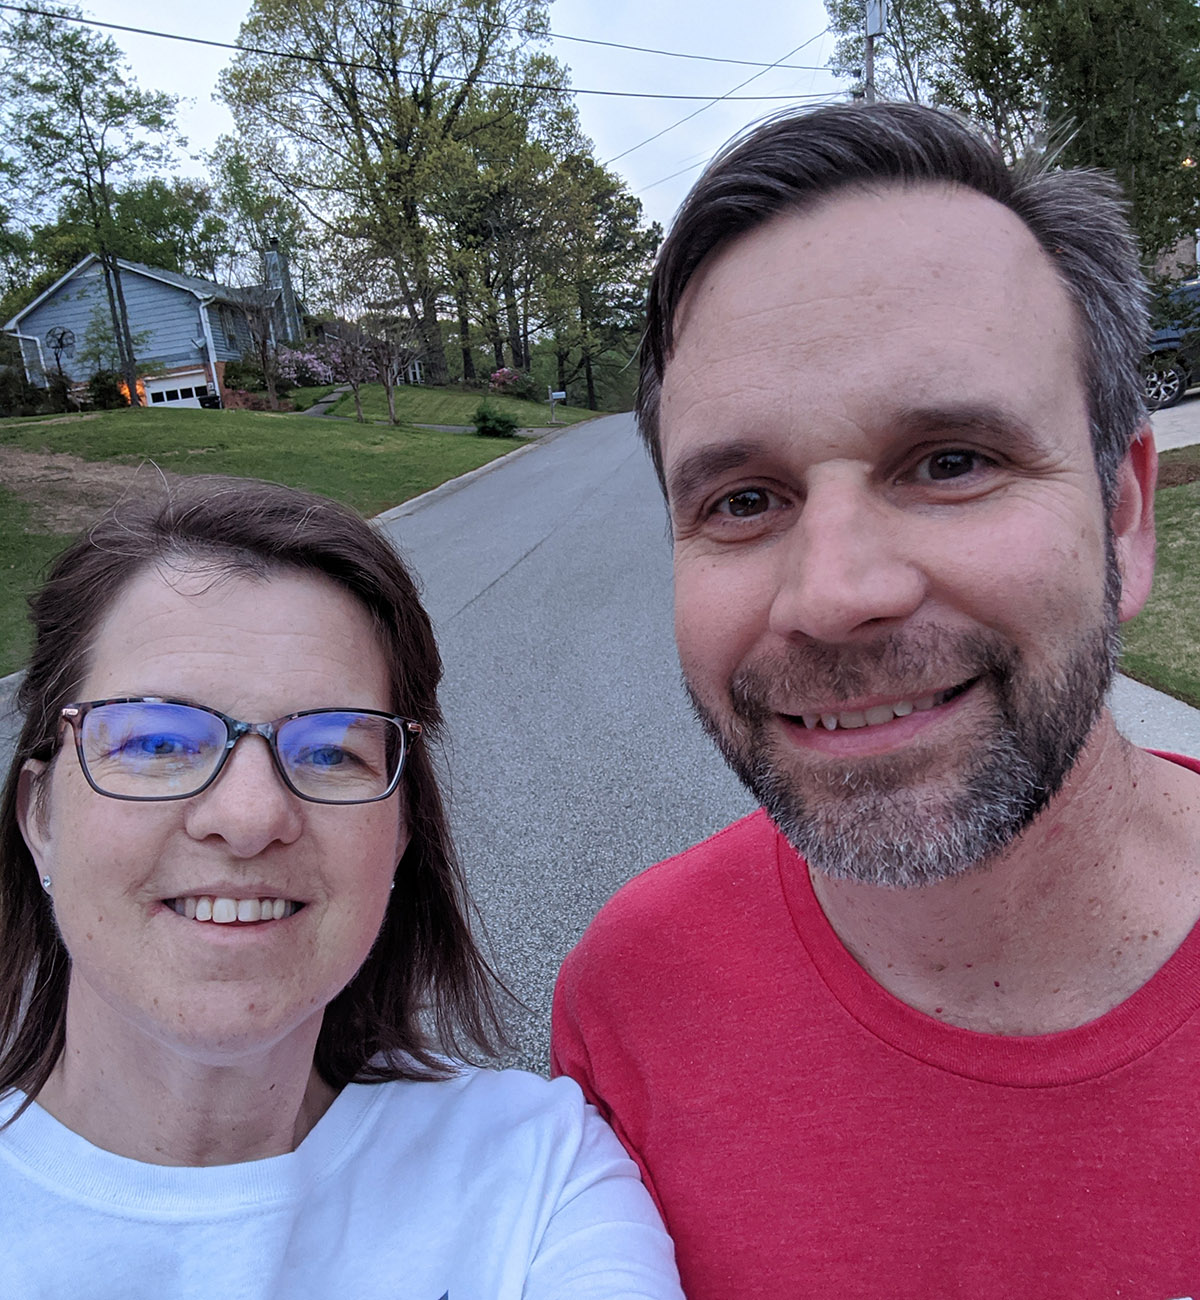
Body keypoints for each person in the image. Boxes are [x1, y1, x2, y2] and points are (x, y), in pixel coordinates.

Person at [552, 102, 1200, 1297]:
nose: (836, 592)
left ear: (1124, 513)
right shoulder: (630, 1001)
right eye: (743, 499)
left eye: (952, 461)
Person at [0, 474, 683, 1299]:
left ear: (399, 835)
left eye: (331, 752)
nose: (250, 816)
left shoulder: (536, 1177)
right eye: (154, 740)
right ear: (40, 815)